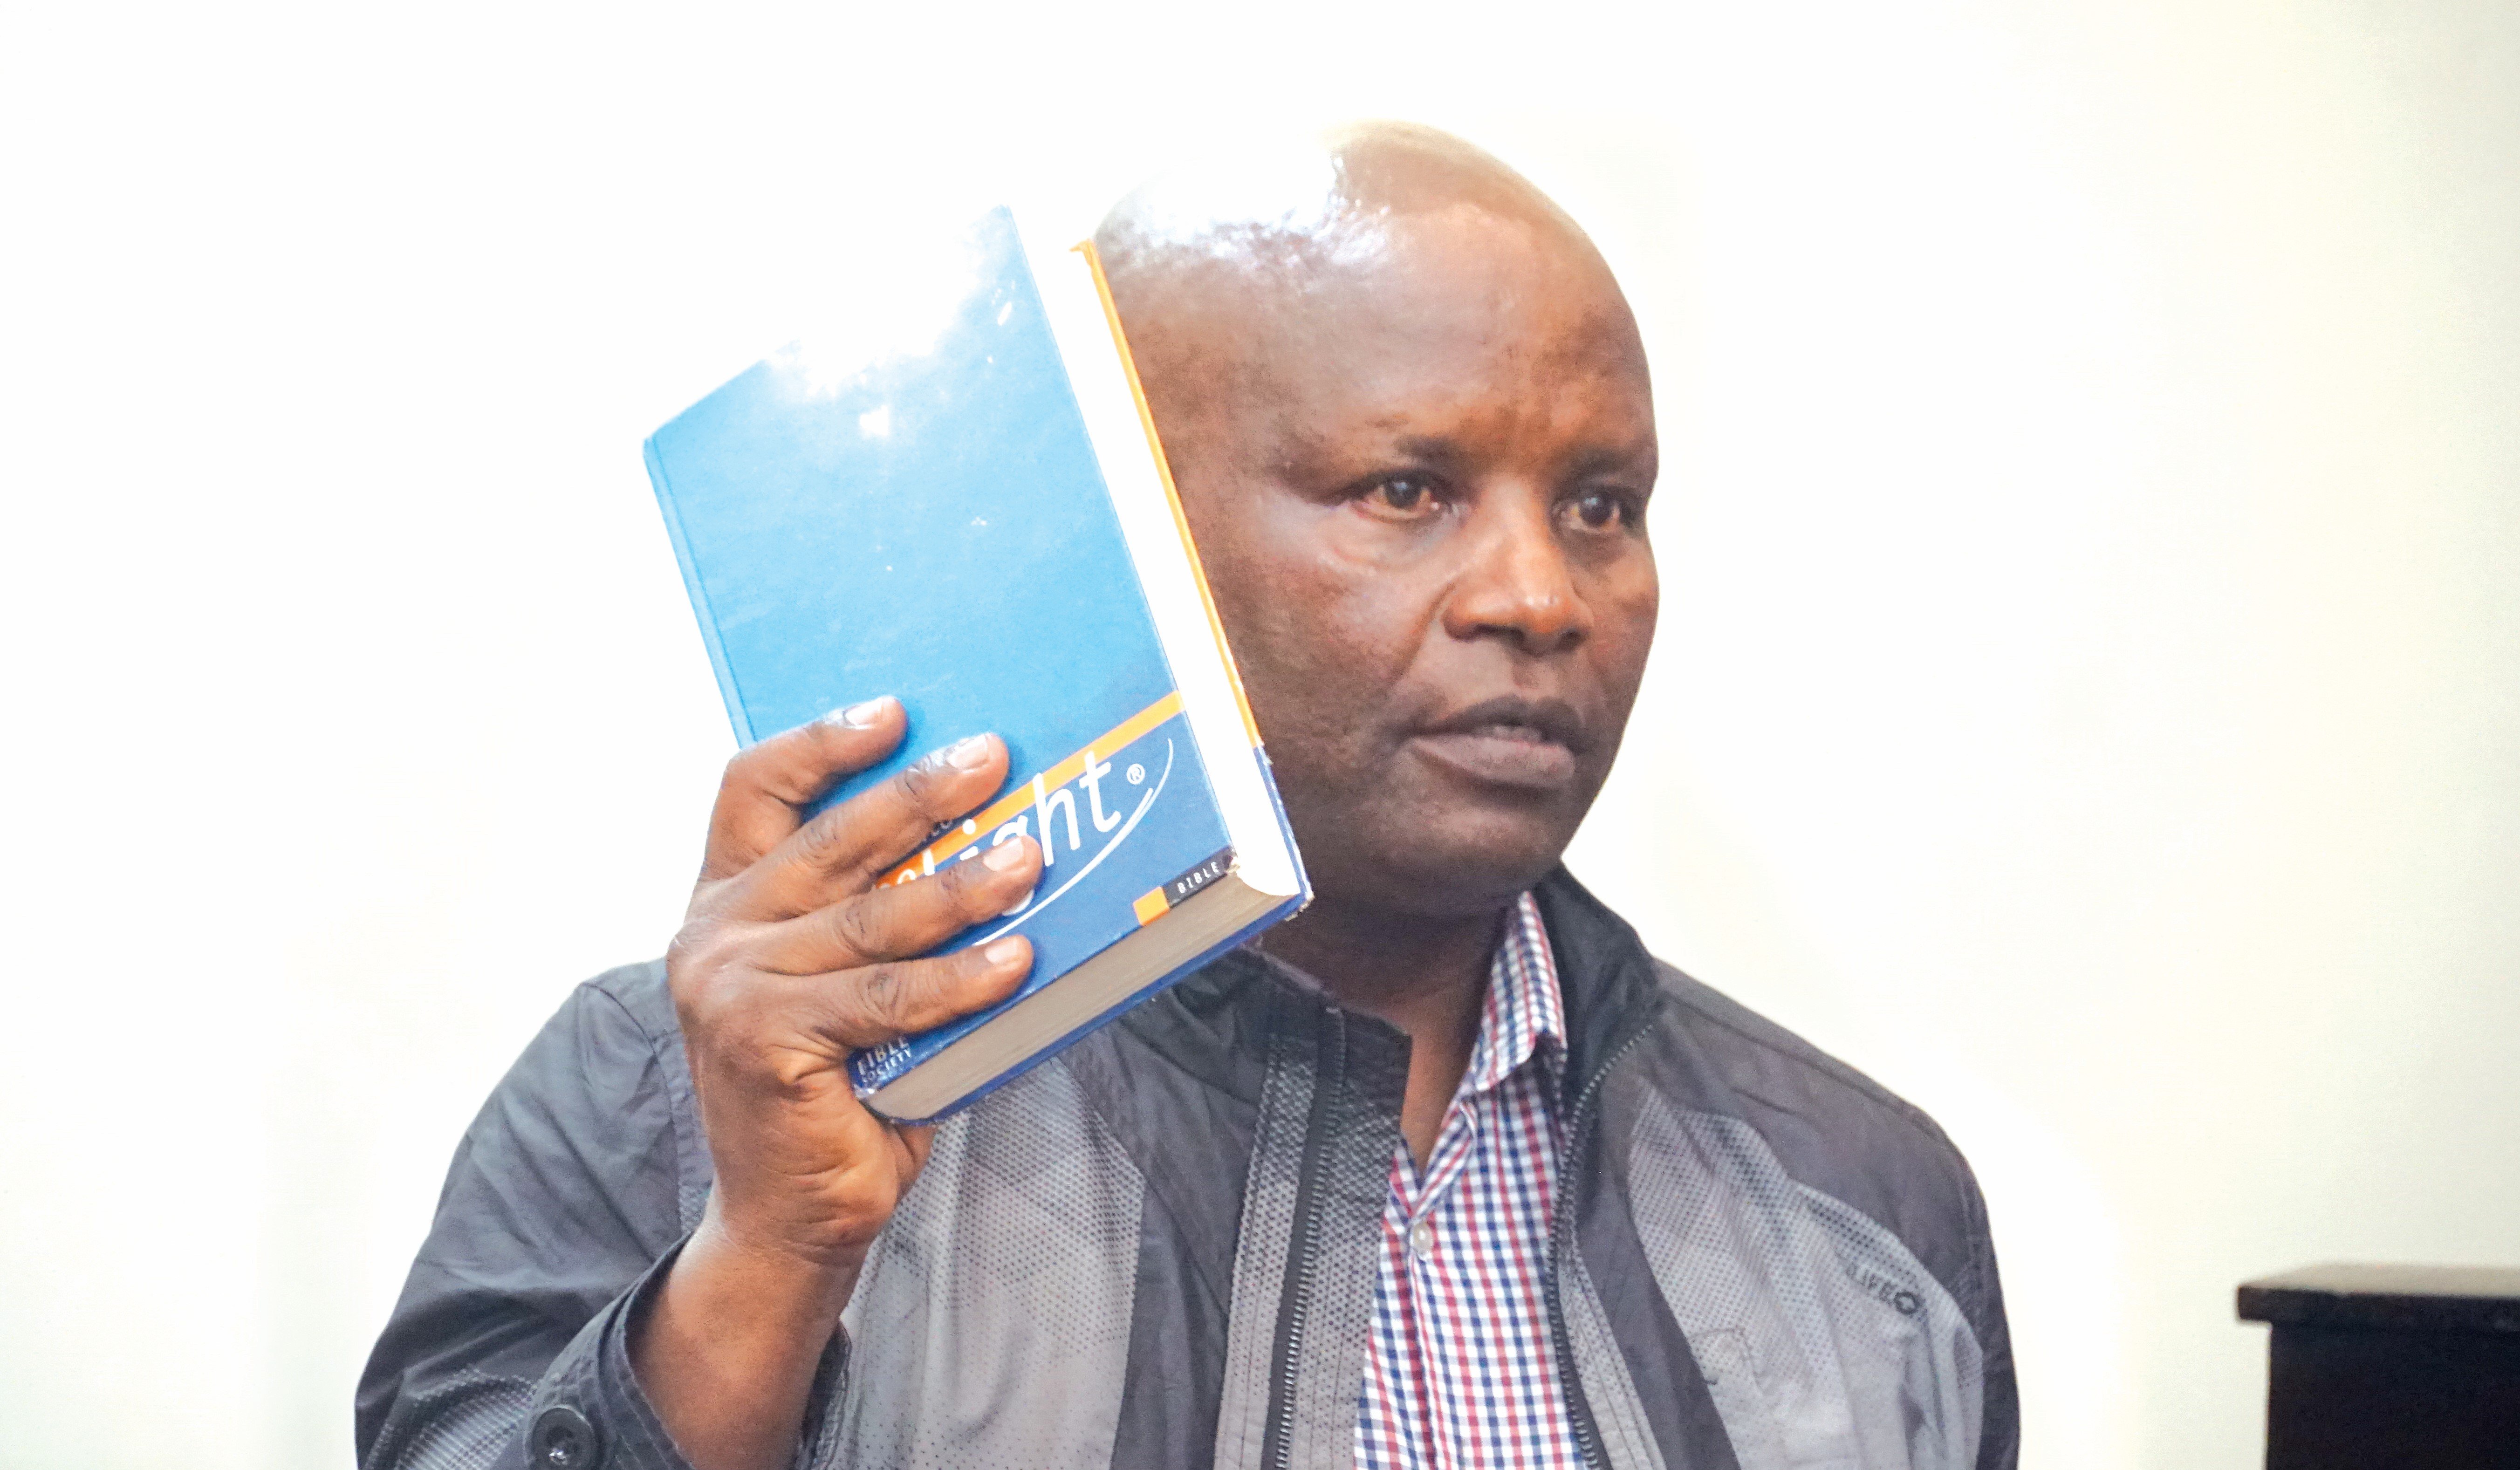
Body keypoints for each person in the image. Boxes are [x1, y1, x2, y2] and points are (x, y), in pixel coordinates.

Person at [358, 122, 2017, 1470]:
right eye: (1407, 488)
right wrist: (769, 1260)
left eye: (1601, 504)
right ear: (1133, 536)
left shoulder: (1863, 1208)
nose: (1541, 594)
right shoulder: (668, 1103)